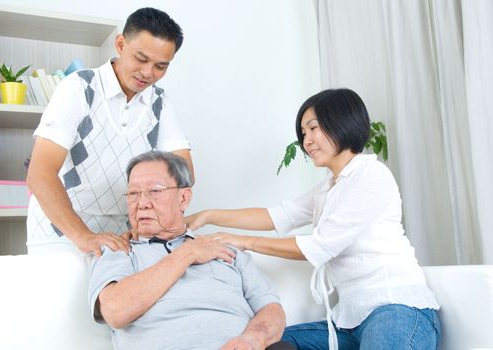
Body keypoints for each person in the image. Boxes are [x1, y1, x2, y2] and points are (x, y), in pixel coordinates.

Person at [186, 88, 441, 350]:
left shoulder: (370, 175)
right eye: (304, 133)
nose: (307, 141)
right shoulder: (328, 188)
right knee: (271, 344)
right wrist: (209, 215)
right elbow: (278, 216)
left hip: (396, 310)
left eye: (313, 128)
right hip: (347, 322)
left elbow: (318, 247)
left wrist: (243, 241)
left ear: (343, 122)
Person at [26, 8, 193, 255]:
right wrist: (83, 236)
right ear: (120, 44)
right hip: (61, 230)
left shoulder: (160, 102)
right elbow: (40, 174)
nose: (148, 73)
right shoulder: (79, 88)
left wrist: (155, 221)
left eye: (160, 66)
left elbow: (183, 174)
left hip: (123, 234)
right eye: (141, 58)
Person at [89, 151, 294, 350]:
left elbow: (271, 309)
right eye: (133, 193)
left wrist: (252, 339)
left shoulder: (225, 248)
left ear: (184, 198)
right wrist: (188, 253)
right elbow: (115, 311)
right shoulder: (120, 251)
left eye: (154, 191)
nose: (141, 203)